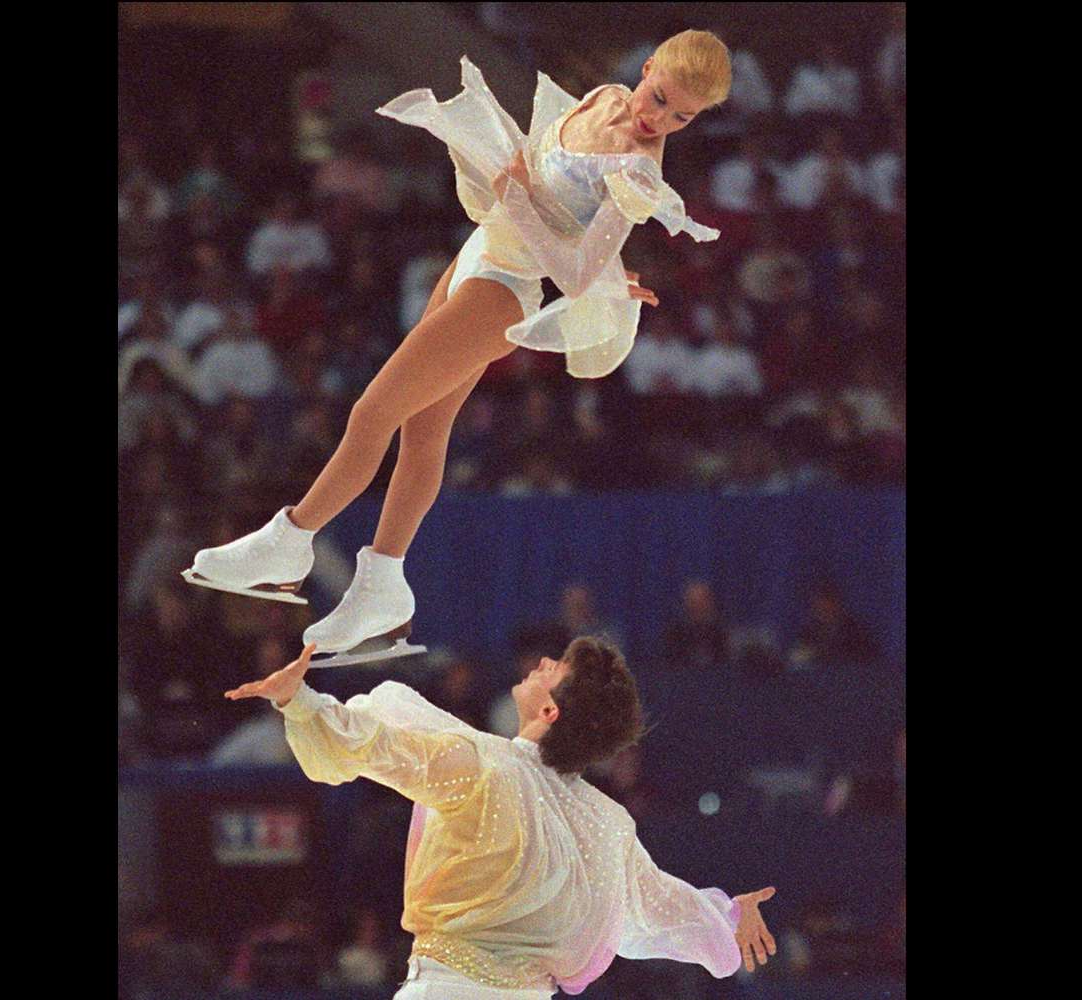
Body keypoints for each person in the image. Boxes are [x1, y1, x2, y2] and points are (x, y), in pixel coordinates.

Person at [186, 31, 730, 664]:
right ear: (646, 69)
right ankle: (382, 587)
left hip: (507, 288)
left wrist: (529, 210)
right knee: (422, 431)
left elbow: (573, 274)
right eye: (660, 98)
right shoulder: (606, 96)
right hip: (480, 252)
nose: (657, 119)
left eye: (681, 117)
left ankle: (291, 539)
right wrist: (566, 234)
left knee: (372, 411)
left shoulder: (641, 168)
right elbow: (568, 207)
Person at [224, 637, 778, 998]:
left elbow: (378, 747)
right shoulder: (605, 822)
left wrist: (298, 702)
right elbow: (656, 903)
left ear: (550, 710)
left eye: (554, 666)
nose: (541, 661)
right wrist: (726, 916)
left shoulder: (485, 766)